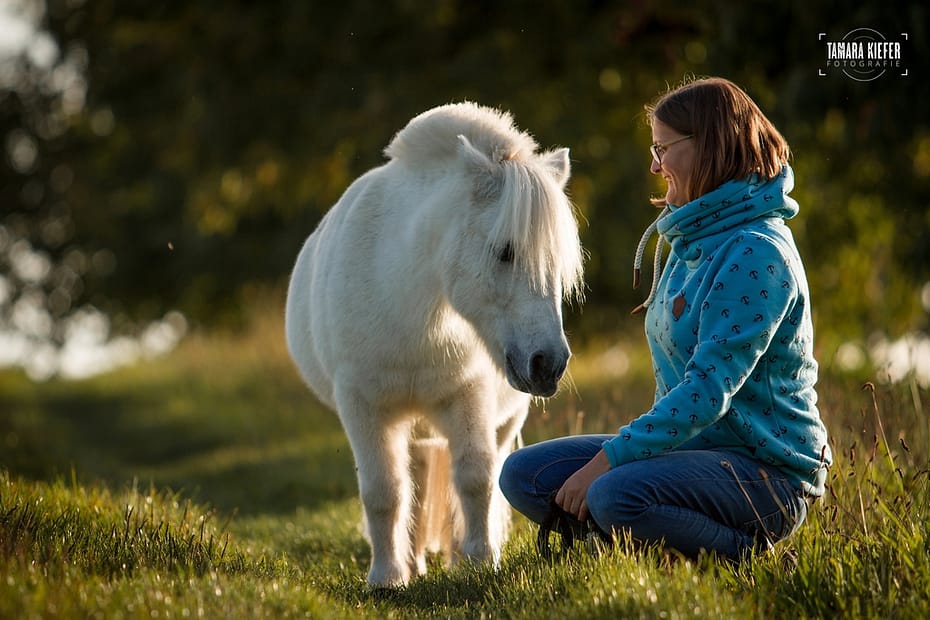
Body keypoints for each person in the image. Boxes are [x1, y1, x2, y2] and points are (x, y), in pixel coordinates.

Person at [499, 77, 832, 562]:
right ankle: (637, 545)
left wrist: (607, 463)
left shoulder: (757, 253)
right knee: (522, 475)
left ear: (709, 145)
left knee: (613, 494)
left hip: (765, 473)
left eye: (662, 148)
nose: (654, 165)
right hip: (692, 456)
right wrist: (612, 463)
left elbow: (706, 392)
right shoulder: (691, 235)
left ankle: (750, 555)